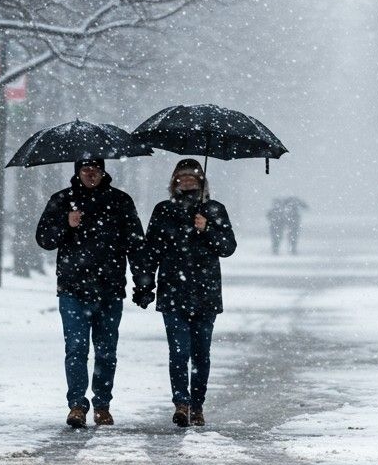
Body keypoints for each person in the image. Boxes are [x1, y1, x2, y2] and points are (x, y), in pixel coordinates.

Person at [36, 159, 147, 428]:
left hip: (109, 289)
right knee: (76, 348)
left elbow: (136, 243)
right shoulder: (62, 200)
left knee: (106, 350)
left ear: (103, 170)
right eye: (85, 169)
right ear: (77, 171)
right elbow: (44, 239)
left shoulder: (120, 201)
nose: (90, 173)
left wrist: (142, 283)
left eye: (95, 168)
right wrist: (66, 224)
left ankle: (102, 405)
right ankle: (77, 404)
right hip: (73, 289)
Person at [134, 159, 237, 427]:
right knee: (179, 352)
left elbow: (227, 247)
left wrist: (207, 229)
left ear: (202, 181)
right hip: (173, 292)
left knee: (201, 354)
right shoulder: (163, 211)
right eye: (182, 177)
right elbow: (151, 251)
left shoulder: (214, 210)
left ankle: (197, 405)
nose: (187, 181)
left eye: (193, 177)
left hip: (206, 293)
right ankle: (181, 403)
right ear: (174, 181)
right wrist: (145, 286)